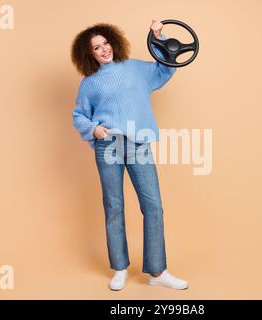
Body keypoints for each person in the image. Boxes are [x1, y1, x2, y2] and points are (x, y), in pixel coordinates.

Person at [71, 20, 188, 291]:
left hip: (138, 143)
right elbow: (79, 115)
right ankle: (120, 268)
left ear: (114, 42)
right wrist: (94, 129)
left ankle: (158, 272)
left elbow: (165, 68)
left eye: (106, 43)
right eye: (96, 48)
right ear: (89, 55)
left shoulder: (136, 68)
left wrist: (160, 36)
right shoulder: (89, 83)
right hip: (108, 145)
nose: (103, 50)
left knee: (153, 206)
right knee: (114, 206)